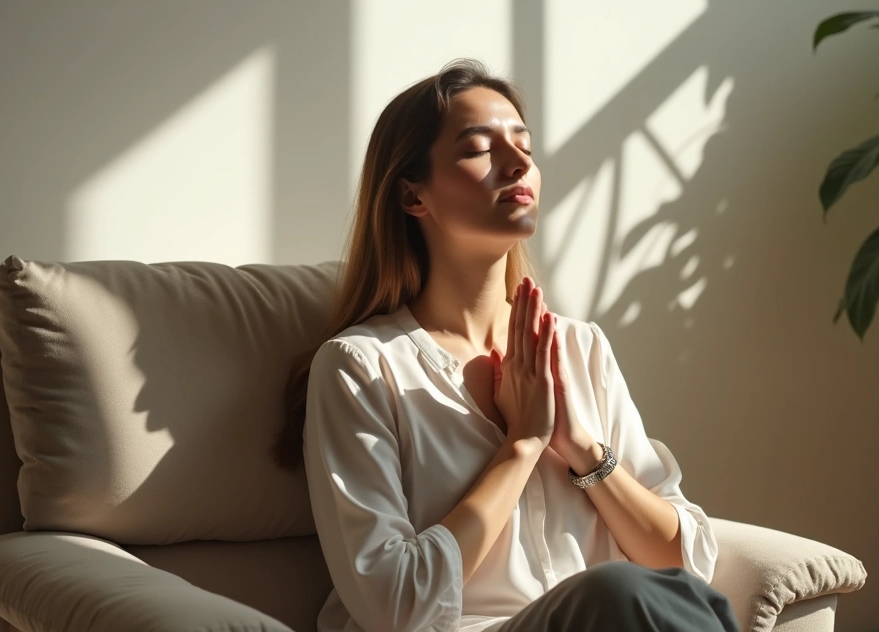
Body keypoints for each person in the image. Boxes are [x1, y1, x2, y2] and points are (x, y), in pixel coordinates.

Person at [277, 58, 738, 632]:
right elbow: (394, 604)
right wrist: (522, 446)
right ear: (412, 197)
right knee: (619, 594)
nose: (518, 161)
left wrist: (582, 449)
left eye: (523, 143)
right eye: (478, 149)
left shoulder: (579, 347)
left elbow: (686, 563)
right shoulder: (363, 368)